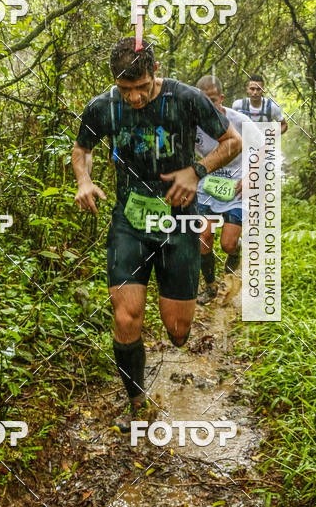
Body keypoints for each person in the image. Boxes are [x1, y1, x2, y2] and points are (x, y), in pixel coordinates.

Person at [71, 37, 242, 431]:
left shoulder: (185, 99)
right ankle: (137, 403)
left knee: (178, 331)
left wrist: (196, 172)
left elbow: (231, 142)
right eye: (124, 88)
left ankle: (175, 333)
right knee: (126, 316)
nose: (133, 97)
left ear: (155, 72)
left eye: (141, 87)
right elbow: (83, 149)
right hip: (129, 222)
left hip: (180, 222)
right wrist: (83, 179)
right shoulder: (103, 106)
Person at [194, 75, 261, 304]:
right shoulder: (194, 124)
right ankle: (211, 286)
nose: (208, 107)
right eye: (203, 101)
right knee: (203, 237)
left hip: (237, 186)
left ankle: (234, 255)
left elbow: (263, 147)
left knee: (228, 243)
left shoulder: (238, 120)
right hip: (209, 185)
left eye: (212, 100)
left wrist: (251, 175)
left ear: (221, 99)